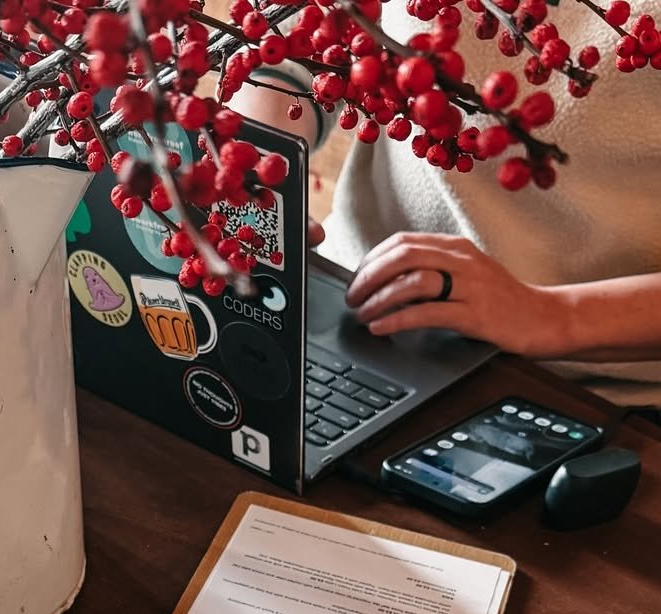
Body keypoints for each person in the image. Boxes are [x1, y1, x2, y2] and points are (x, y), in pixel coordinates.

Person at [228, 0, 661, 411]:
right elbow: (292, 48)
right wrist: (256, 171)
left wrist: (552, 315)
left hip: (575, 385)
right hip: (348, 302)